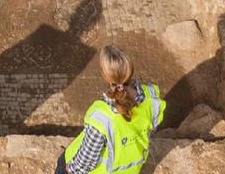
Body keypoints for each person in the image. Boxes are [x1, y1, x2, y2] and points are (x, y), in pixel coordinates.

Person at [58, 45, 164, 174]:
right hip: (131, 168)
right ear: (130, 71)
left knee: (61, 163)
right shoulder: (151, 95)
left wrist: (70, 169)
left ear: (105, 75)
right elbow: (151, 129)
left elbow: (86, 162)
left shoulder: (101, 116)